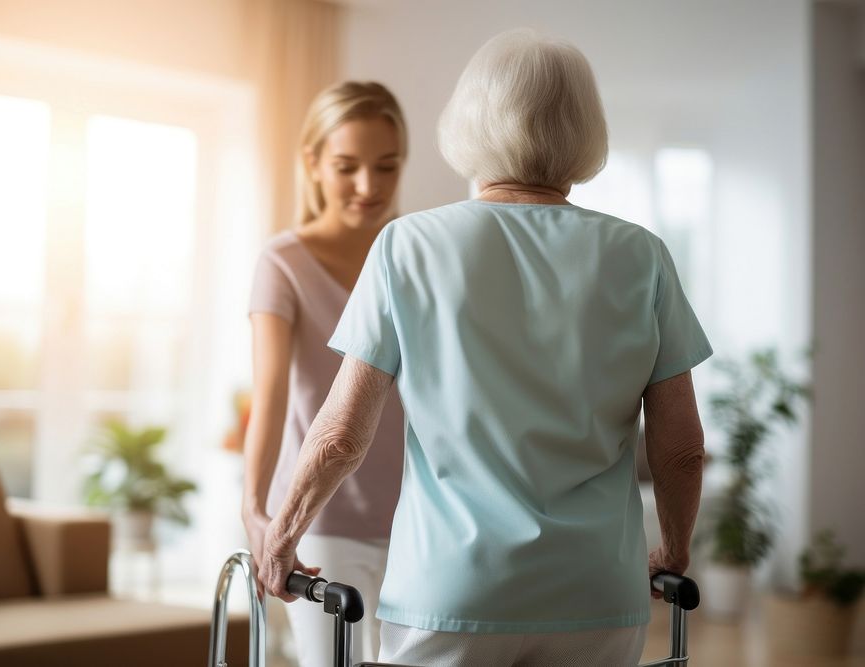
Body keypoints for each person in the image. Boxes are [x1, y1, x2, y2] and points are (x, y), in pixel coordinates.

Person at [257, 29, 712, 667]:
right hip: (596, 590)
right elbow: (682, 447)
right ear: (584, 130)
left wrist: (279, 538)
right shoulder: (643, 257)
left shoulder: (406, 246)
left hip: (453, 593)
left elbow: (341, 436)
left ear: (470, 122)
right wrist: (674, 549)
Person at [243, 81, 409, 667]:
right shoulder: (282, 263)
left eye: (386, 167)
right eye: (347, 167)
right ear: (312, 164)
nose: (369, 187)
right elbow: (271, 396)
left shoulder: (415, 254)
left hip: (422, 520)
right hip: (322, 519)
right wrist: (255, 510)